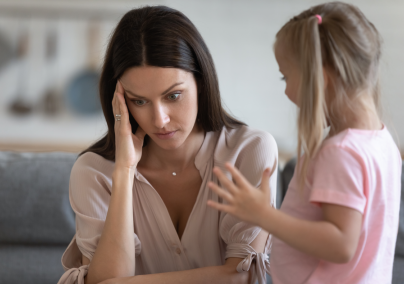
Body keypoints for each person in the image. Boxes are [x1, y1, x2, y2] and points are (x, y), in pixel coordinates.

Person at [57, 5, 278, 284]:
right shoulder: (94, 171)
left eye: (173, 96)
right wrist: (124, 171)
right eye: (139, 101)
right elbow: (108, 277)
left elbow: (241, 278)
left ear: (201, 81)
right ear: (119, 102)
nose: (159, 120)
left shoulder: (250, 150)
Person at [207, 2, 401, 283]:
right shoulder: (383, 142)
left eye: (286, 76)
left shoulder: (341, 152)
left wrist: (264, 216)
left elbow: (341, 244)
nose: (286, 91)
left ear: (320, 80)